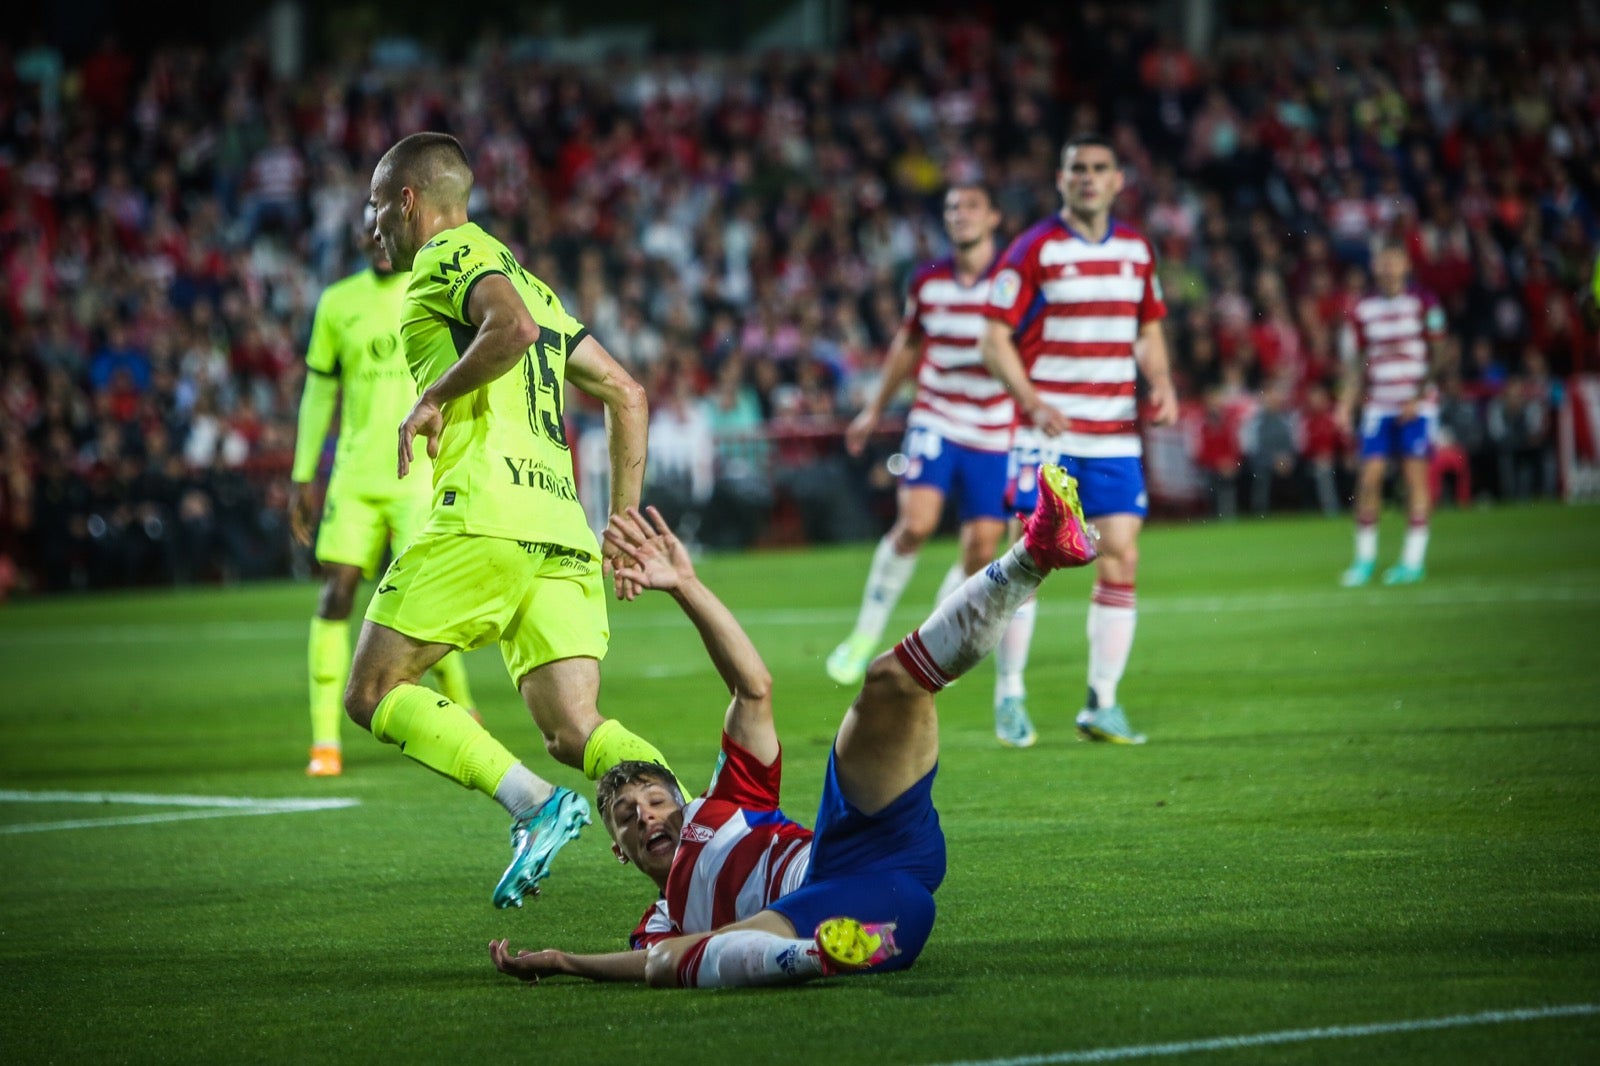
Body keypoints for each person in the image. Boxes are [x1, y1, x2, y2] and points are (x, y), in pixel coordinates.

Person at [488, 464, 1098, 989]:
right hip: (865, 911)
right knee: (667, 960)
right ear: (618, 851)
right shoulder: (660, 922)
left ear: (685, 801)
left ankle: (1036, 552)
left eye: (654, 800)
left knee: (889, 682)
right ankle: (820, 952)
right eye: (626, 817)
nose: (646, 817)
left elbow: (753, 688)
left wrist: (686, 586)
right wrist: (566, 961)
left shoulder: (728, 803)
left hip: (854, 850)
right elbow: (647, 960)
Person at [347, 131, 679, 909]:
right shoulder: (537, 287)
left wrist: (433, 396)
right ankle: (712, 843)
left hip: (485, 515)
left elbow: (511, 330)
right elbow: (627, 393)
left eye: (376, 207)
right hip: (559, 528)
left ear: (407, 201)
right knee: (576, 729)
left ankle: (534, 806)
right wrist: (621, 524)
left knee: (373, 690)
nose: (372, 227)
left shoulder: (449, 253)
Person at [979, 133, 1178, 746]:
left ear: (1118, 181)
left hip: (1114, 433)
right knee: (1029, 559)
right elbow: (993, 338)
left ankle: (1102, 703)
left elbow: (1146, 328)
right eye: (1077, 169)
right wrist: (1032, 402)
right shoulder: (1033, 248)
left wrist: (1162, 381)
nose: (1088, 177)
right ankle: (1010, 694)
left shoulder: (1136, 251)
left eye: (1099, 168)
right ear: (1061, 180)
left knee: (1123, 555)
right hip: (1048, 433)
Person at [825, 184, 1038, 748]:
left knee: (981, 550)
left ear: (993, 216)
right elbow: (908, 344)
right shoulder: (928, 280)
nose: (959, 216)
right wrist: (874, 408)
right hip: (937, 419)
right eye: (951, 209)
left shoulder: (1012, 281)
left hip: (994, 430)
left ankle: (929, 638)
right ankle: (863, 637)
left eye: (970, 207)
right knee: (916, 523)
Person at [288, 211, 476, 778]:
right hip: (355, 478)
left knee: (426, 600)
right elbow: (318, 395)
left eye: (384, 227)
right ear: (357, 238)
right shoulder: (337, 303)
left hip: (418, 473)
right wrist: (303, 474)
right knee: (336, 593)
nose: (377, 239)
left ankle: (463, 706)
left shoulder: (436, 291)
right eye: (367, 230)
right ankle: (325, 742)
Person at [1334, 243, 1447, 586]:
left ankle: (1412, 561)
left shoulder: (1424, 302)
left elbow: (1439, 353)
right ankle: (1364, 561)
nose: (1388, 268)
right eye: (1383, 262)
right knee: (1368, 479)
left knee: (1414, 480)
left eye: (1393, 261)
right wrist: (1346, 402)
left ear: (1406, 265)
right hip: (1379, 404)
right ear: (1375, 267)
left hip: (1417, 406)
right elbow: (1356, 363)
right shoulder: (1363, 309)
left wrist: (1418, 396)